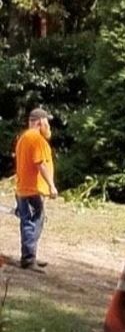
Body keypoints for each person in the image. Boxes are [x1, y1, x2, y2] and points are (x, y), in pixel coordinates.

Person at [14, 108, 58, 272]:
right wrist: (51, 185)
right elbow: (40, 164)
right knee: (31, 223)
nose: (49, 127)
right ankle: (28, 259)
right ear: (41, 122)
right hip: (31, 190)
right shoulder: (36, 139)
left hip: (24, 188)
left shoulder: (24, 137)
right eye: (47, 123)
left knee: (32, 222)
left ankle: (30, 255)